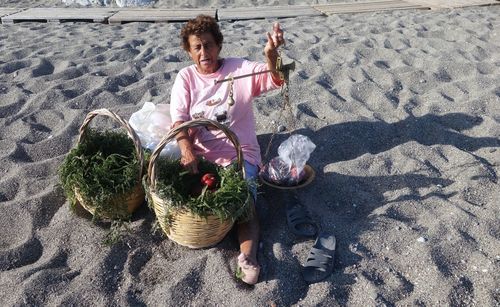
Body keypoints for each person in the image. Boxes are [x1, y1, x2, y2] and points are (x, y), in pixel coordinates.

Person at [169, 15, 285, 285]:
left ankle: (248, 255)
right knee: (195, 196)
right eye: (196, 47)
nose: (203, 52)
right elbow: (179, 121)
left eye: (208, 45)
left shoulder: (238, 69)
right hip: (203, 155)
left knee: (245, 201)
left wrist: (271, 54)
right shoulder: (186, 77)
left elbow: (275, 78)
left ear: (219, 45)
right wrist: (186, 149)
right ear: (188, 51)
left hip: (240, 152)